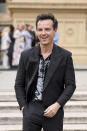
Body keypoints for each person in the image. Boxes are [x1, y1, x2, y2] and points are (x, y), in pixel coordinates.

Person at [15, 13, 76, 131]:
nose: (43, 33)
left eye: (47, 29)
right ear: (36, 31)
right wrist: (24, 107)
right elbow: (19, 84)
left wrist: (58, 105)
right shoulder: (26, 55)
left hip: (54, 110)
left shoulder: (65, 56)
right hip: (31, 110)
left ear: (55, 31)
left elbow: (70, 85)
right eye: (40, 29)